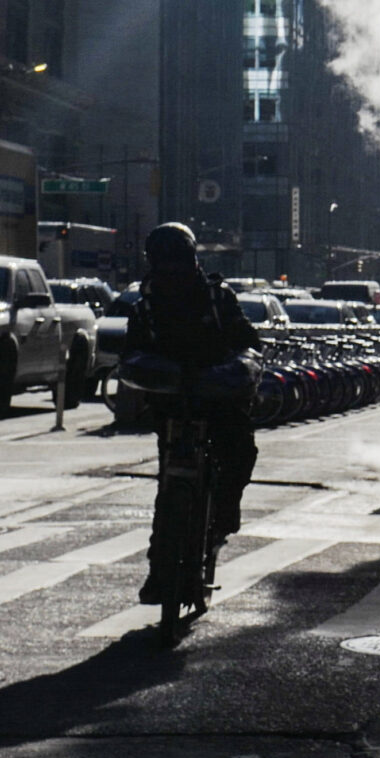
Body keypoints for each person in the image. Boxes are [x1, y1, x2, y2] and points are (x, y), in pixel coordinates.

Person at [124, 222, 261, 603]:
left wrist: (235, 370)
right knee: (169, 484)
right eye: (162, 261)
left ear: (191, 258)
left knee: (240, 452)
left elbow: (248, 343)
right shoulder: (145, 306)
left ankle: (223, 516)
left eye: (176, 260)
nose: (170, 269)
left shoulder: (218, 298)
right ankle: (159, 570)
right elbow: (130, 354)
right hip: (171, 406)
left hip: (219, 401)